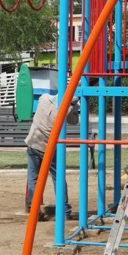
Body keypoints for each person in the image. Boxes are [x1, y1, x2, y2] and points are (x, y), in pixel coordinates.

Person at [25, 93, 79, 221]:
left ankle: (34, 208)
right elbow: (74, 121)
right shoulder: (66, 110)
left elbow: (45, 96)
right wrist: (74, 106)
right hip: (49, 148)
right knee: (58, 178)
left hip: (33, 142)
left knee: (33, 178)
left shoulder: (44, 100)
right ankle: (65, 210)